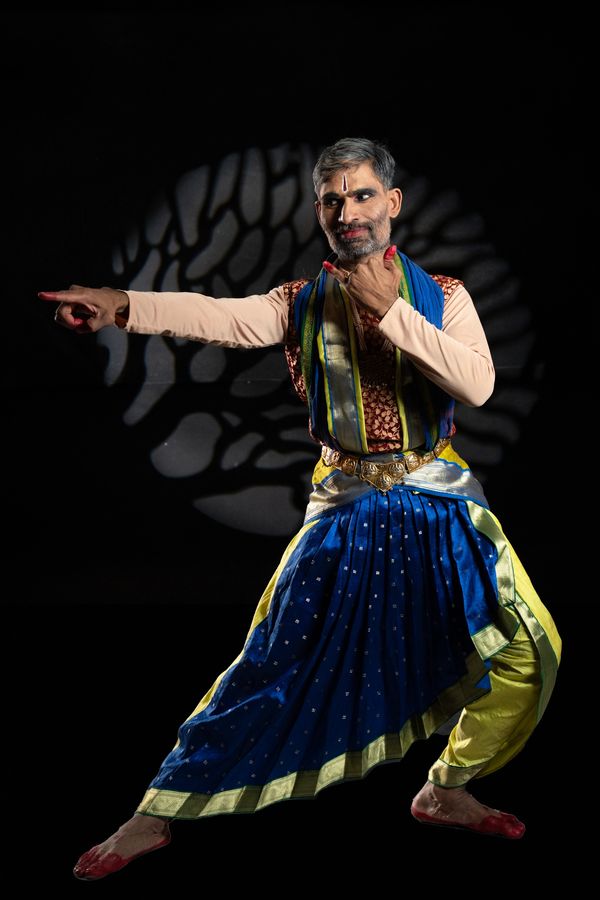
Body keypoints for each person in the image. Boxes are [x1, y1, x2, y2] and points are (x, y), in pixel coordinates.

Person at [40, 137, 561, 880]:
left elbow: (476, 386)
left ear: (392, 204)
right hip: (345, 511)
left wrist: (392, 314)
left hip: (440, 505)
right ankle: (155, 812)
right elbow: (219, 317)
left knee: (528, 652)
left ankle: (446, 789)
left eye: (361, 195)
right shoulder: (300, 303)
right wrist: (122, 304)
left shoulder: (444, 297)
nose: (349, 212)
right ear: (321, 212)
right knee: (269, 665)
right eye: (333, 200)